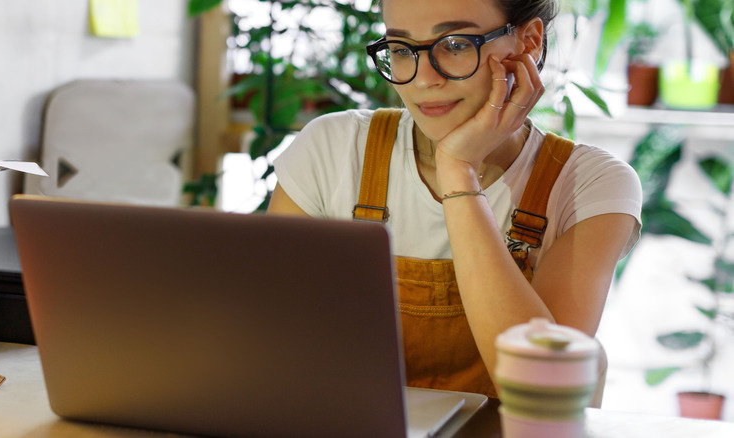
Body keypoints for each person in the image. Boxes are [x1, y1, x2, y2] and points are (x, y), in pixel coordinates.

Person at [267, 0, 642, 398]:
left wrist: (458, 171)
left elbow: (544, 389)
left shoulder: (590, 184)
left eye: (456, 44)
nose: (423, 79)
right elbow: (264, 342)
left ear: (528, 43)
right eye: (401, 49)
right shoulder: (334, 148)